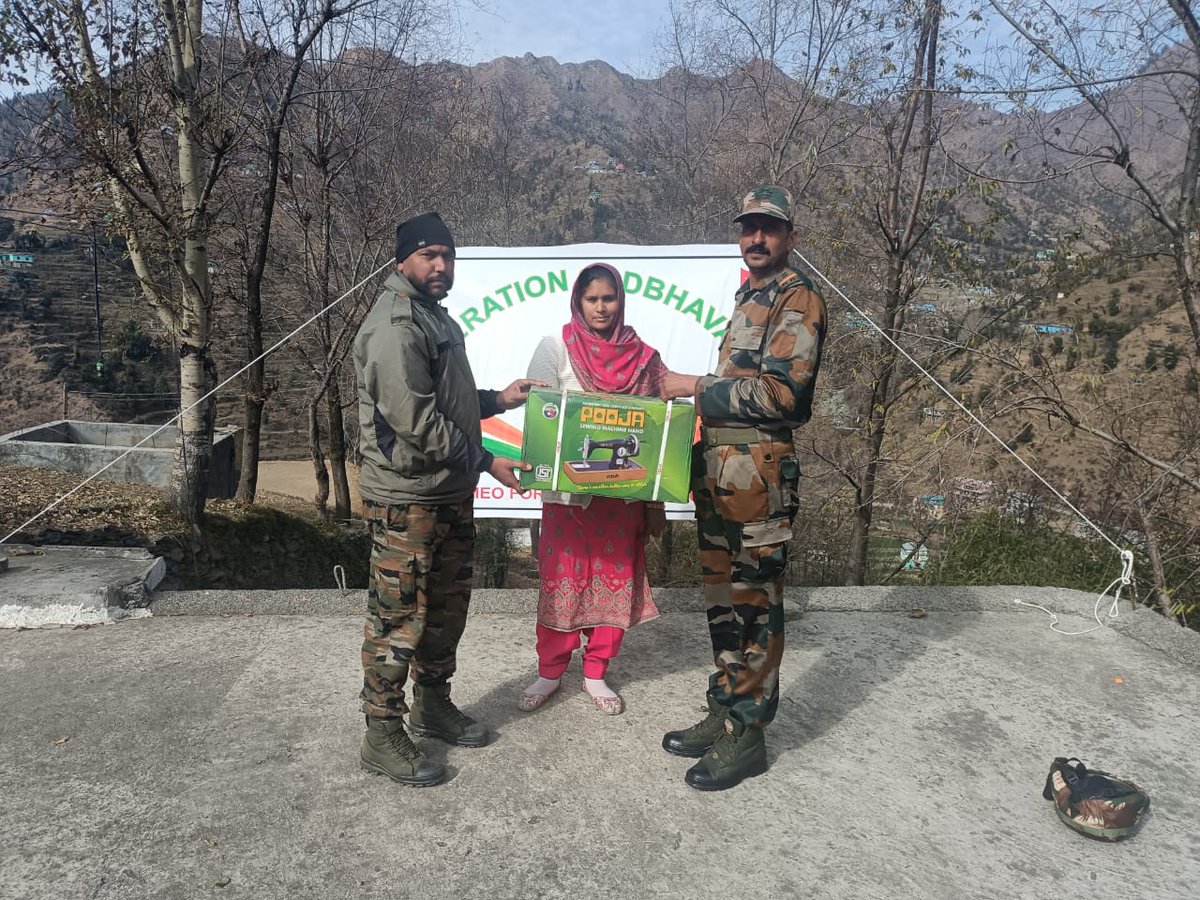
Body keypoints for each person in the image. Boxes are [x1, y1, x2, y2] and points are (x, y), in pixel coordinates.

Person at [353, 211, 541, 787]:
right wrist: (487, 461)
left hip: (446, 494)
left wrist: (499, 400)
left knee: (445, 610)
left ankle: (433, 706)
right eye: (430, 255)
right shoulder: (396, 324)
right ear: (403, 259)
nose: (441, 265)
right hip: (407, 499)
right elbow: (417, 424)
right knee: (398, 616)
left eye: (449, 255)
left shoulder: (433, 315)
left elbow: (449, 403)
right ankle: (382, 733)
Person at [658, 185, 827, 791]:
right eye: (749, 227)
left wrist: (690, 386)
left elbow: (786, 397)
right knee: (722, 602)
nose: (757, 238)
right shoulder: (748, 296)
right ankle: (726, 708)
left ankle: (749, 735)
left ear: (790, 238)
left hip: (758, 476)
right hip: (718, 470)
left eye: (770, 229)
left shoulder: (797, 299)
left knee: (755, 606)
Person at [517, 263, 669, 715]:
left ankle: (596, 672)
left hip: (621, 495)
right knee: (562, 578)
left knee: (613, 577)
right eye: (592, 299)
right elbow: (538, 411)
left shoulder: (642, 355)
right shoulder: (555, 348)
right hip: (569, 497)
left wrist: (655, 498)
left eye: (609, 298)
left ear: (620, 300)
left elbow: (658, 424)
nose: (601, 307)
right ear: (578, 302)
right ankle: (550, 671)